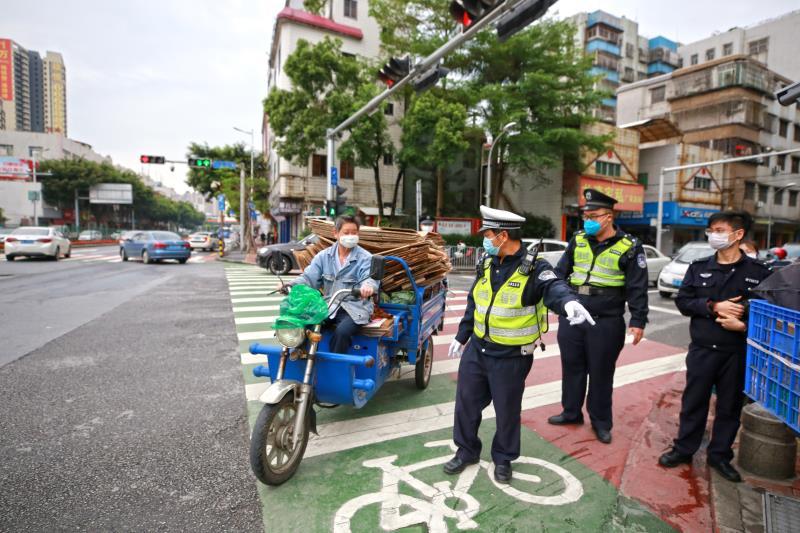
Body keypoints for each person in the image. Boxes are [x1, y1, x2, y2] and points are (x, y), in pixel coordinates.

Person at [445, 206, 594, 484]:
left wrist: (569, 302)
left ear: (502, 236)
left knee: (506, 410)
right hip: (478, 350)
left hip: (511, 356)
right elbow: (474, 302)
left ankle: (503, 458)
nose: (485, 240)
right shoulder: (487, 264)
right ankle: (466, 451)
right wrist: (461, 336)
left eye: (488, 234)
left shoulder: (536, 267)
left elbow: (555, 288)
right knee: (466, 404)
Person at [658, 211, 772, 482]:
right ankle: (684, 449)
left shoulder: (759, 273)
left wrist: (744, 324)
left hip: (737, 351)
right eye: (711, 230)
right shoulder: (699, 267)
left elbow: (767, 313)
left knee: (729, 407)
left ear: (738, 234)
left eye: (719, 229)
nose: (713, 235)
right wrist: (712, 306)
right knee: (693, 402)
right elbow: (683, 302)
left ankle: (719, 456)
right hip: (702, 350)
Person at [549, 189, 649, 444]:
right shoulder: (578, 240)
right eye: (585, 216)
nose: (588, 221)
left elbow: (637, 287)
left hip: (606, 320)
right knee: (572, 368)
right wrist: (562, 302)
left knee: (601, 373)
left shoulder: (630, 246)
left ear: (608, 217)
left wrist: (638, 321)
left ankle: (601, 422)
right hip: (574, 317)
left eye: (593, 216)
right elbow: (560, 273)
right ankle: (571, 412)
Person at [280, 215, 377, 354]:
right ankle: (299, 357)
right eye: (346, 232)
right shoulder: (323, 256)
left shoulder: (366, 258)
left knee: (342, 332)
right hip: (328, 305)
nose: (351, 236)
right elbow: (308, 278)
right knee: (300, 323)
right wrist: (290, 285)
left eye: (354, 232)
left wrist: (367, 287)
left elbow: (370, 279)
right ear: (336, 233)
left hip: (355, 308)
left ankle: (336, 370)